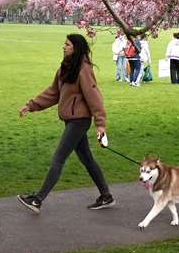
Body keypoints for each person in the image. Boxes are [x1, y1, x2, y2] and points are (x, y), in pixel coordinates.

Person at [17, 33, 114, 213]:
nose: (63, 46)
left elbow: (94, 97)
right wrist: (31, 106)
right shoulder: (65, 68)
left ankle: (37, 200)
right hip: (71, 120)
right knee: (87, 159)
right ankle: (106, 196)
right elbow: (53, 92)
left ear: (75, 48)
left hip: (79, 121)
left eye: (67, 44)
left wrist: (100, 125)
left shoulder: (83, 69)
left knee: (58, 158)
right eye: (64, 44)